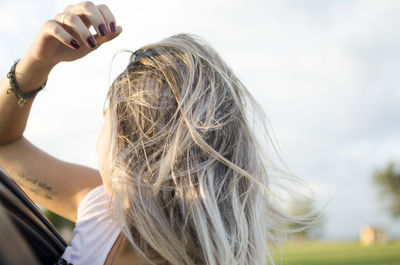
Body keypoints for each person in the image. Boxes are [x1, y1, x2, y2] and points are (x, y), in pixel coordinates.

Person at [0, 2, 304, 265]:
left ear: (127, 146)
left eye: (105, 121)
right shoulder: (103, 212)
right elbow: (5, 143)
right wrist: (35, 64)